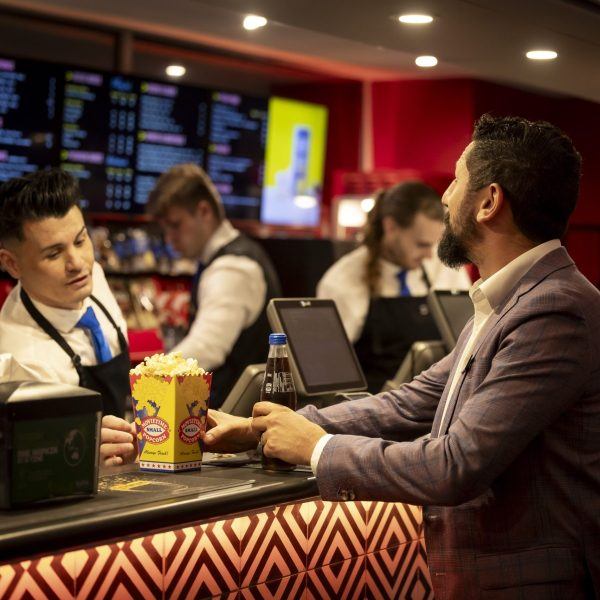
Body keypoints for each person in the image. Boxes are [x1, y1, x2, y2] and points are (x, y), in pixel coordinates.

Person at [101, 114, 600, 598]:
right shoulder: (510, 299)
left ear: (489, 201)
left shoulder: (553, 309)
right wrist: (263, 431)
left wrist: (317, 449)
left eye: (455, 181)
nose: (446, 197)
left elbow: (454, 465)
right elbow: (409, 404)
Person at [147, 163, 281, 407]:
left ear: (204, 211)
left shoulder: (233, 267)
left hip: (239, 421)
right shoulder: (220, 259)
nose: (169, 238)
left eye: (175, 225)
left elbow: (207, 348)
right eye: (165, 228)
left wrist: (149, 378)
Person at [317, 181, 471, 392]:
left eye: (433, 245)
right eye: (421, 244)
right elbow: (329, 369)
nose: (429, 255)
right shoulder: (342, 281)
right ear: (390, 227)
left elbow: (465, 335)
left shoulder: (441, 267)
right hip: (372, 404)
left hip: (433, 402)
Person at [0, 169, 130, 416]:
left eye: (81, 241)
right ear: (12, 264)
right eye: (54, 254)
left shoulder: (93, 277)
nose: (78, 263)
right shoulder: (22, 364)